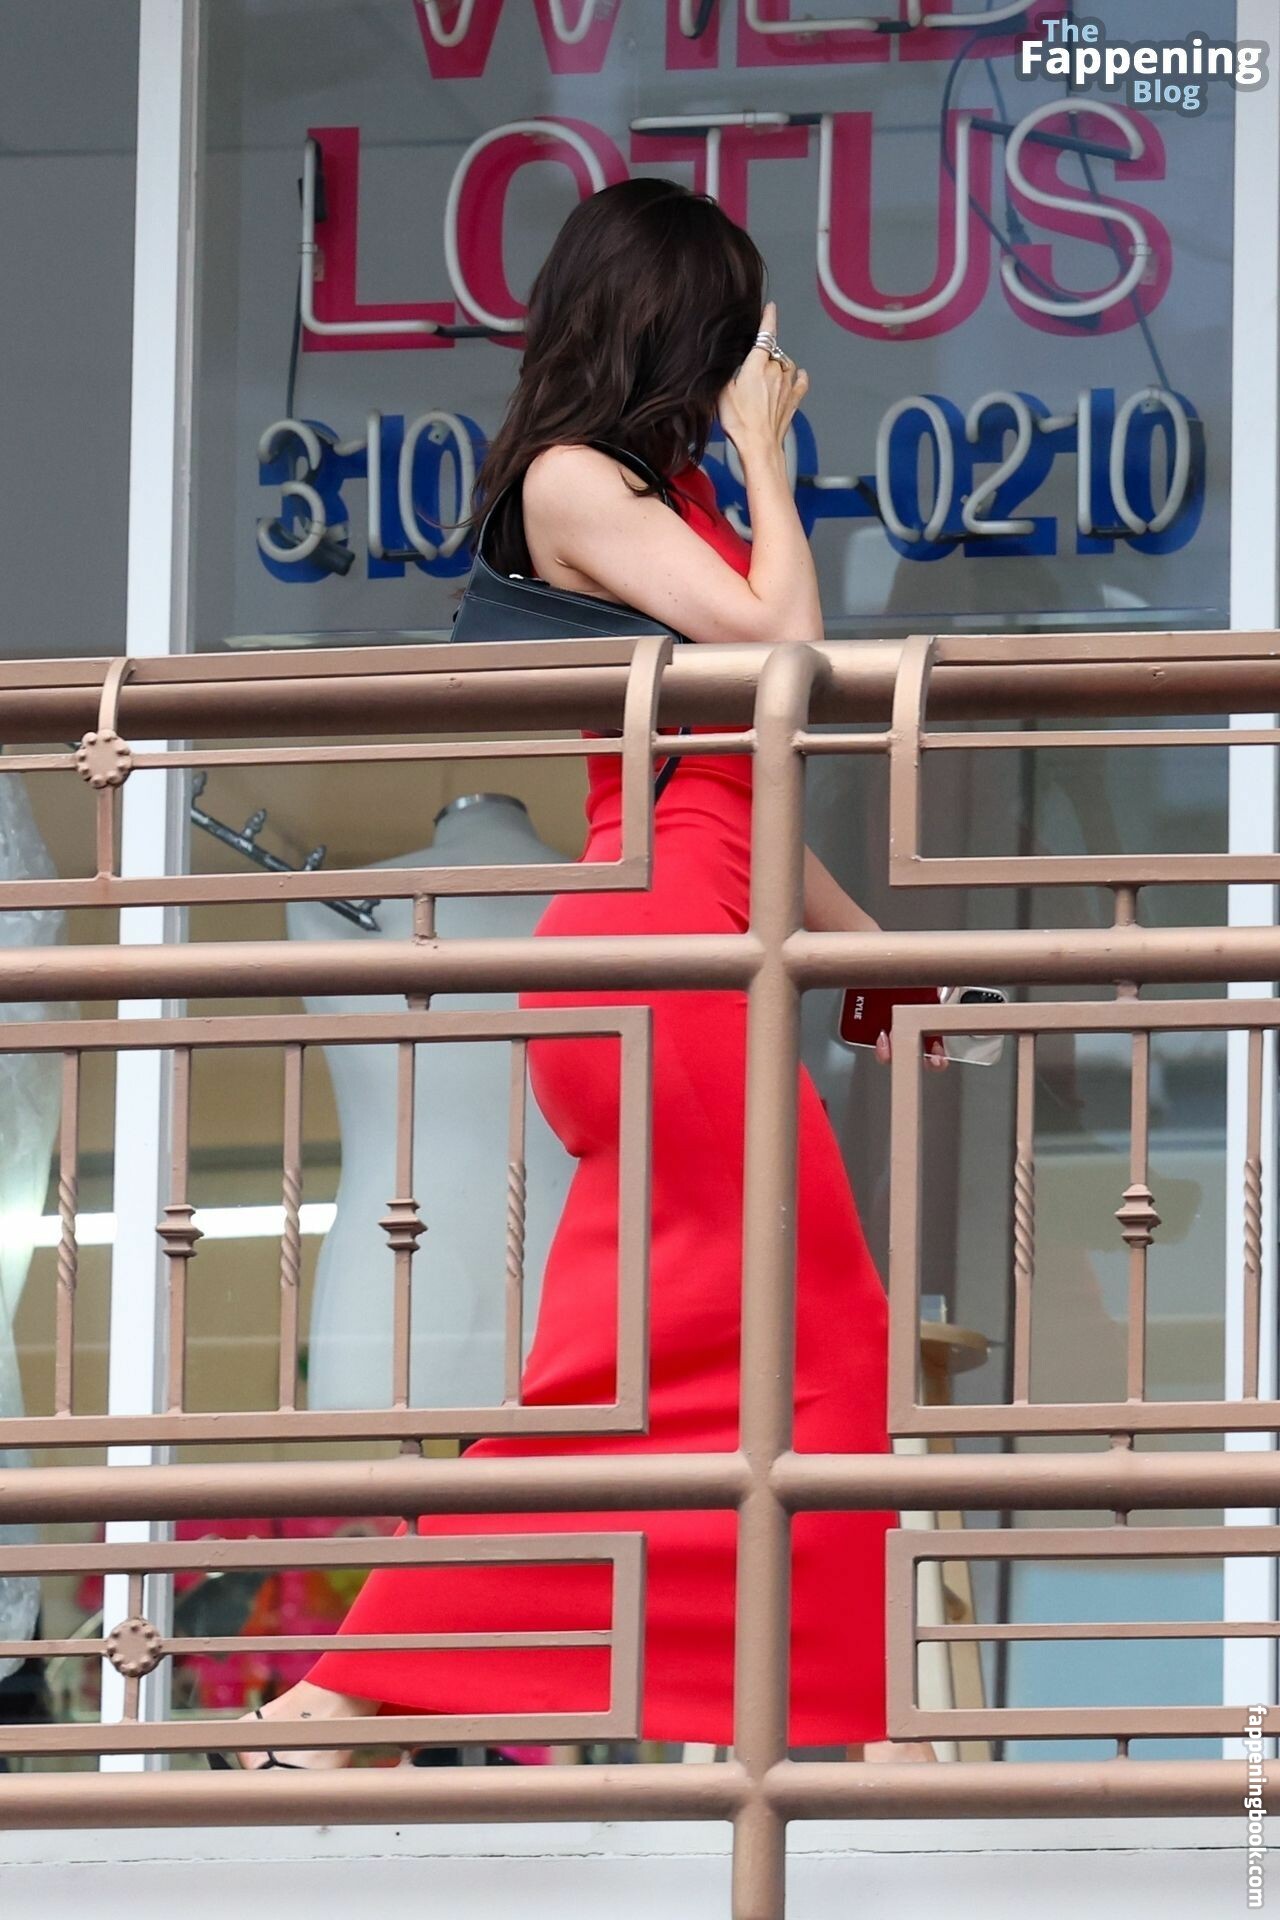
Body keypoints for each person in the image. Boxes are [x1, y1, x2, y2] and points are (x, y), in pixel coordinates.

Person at [224, 178, 939, 1768]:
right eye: (734, 332)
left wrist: (878, 960)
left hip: (707, 926)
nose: (754, 362)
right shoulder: (574, 479)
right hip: (671, 944)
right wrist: (768, 460)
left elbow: (745, 783)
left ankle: (833, 1719)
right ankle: (354, 1695)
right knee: (715, 1363)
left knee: (767, 1355)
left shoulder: (652, 500)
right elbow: (783, 669)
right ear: (673, 326)